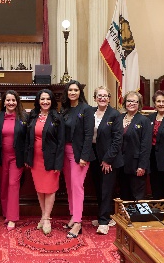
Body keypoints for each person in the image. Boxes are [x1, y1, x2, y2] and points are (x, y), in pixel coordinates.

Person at [25, 89, 64, 235]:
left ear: (52, 101)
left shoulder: (57, 117)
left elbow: (61, 143)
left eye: (48, 99)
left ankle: (47, 218)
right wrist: (27, 158)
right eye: (42, 99)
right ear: (38, 101)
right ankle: (43, 215)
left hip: (51, 159)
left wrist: (58, 163)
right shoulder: (33, 116)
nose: (45, 102)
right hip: (35, 159)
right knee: (40, 189)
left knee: (50, 188)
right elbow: (27, 139)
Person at [60, 80, 94, 238]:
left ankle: (78, 222)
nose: (73, 92)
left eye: (76, 90)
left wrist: (84, 156)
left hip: (79, 154)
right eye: (70, 90)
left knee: (77, 186)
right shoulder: (65, 110)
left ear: (80, 92)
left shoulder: (86, 109)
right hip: (65, 153)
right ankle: (73, 216)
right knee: (69, 186)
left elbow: (88, 135)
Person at [89, 86, 123, 235]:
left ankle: (104, 222)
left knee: (107, 189)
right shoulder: (90, 113)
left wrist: (108, 159)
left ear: (109, 98)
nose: (102, 98)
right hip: (94, 156)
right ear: (95, 98)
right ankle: (104, 216)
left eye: (105, 96)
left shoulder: (114, 114)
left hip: (109, 158)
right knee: (98, 187)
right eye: (99, 96)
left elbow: (117, 140)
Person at [0, 90, 27, 231]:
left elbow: (27, 139)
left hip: (17, 157)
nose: (11, 103)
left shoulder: (23, 117)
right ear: (4, 102)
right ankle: (6, 213)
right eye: (8, 100)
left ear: (17, 102)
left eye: (13, 100)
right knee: (4, 185)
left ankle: (12, 217)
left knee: (13, 184)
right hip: (2, 157)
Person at [118, 91, 151, 201]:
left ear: (139, 104)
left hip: (136, 165)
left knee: (137, 196)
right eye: (129, 101)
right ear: (125, 103)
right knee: (124, 194)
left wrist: (142, 166)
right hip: (120, 164)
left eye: (134, 101)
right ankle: (125, 218)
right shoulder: (119, 118)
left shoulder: (144, 120)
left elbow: (145, 145)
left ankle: (137, 218)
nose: (131, 103)